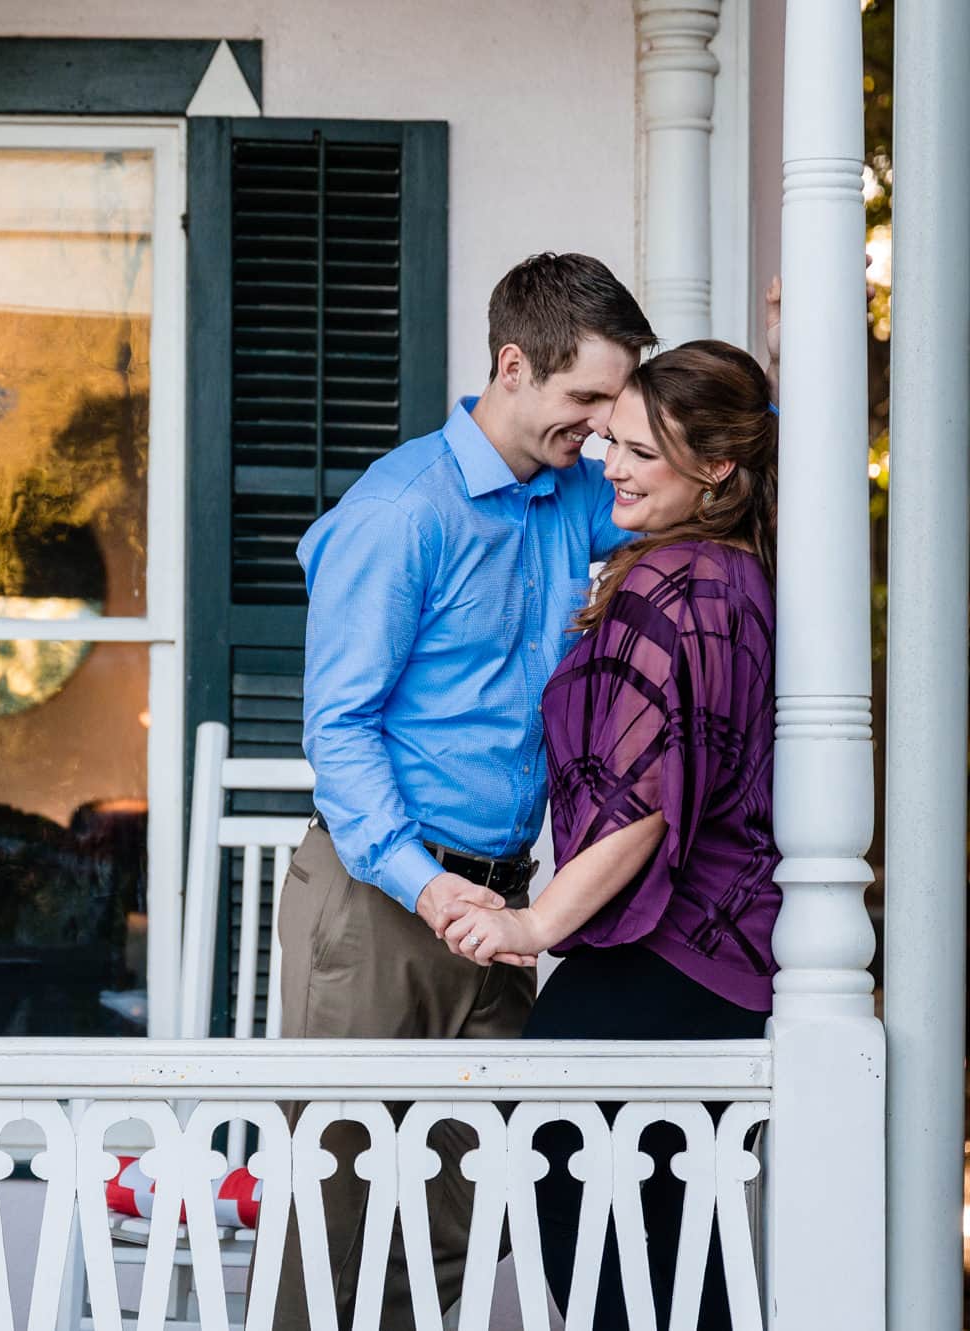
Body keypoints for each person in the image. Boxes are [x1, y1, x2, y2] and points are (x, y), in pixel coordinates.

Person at [269, 252, 655, 1331]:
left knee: (448, 1220)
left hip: (501, 908)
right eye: (581, 399)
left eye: (607, 406)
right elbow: (336, 731)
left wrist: (774, 374)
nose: (594, 428)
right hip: (380, 897)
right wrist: (430, 889)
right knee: (335, 1218)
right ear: (511, 364)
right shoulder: (401, 511)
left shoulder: (565, 488)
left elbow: (683, 476)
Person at [443, 339, 781, 1330]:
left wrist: (530, 921)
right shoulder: (740, 578)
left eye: (638, 450)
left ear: (713, 467)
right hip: (729, 969)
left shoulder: (661, 588)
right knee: (681, 1264)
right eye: (610, 441)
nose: (610, 465)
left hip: (652, 969)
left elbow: (641, 802)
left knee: (604, 1265)